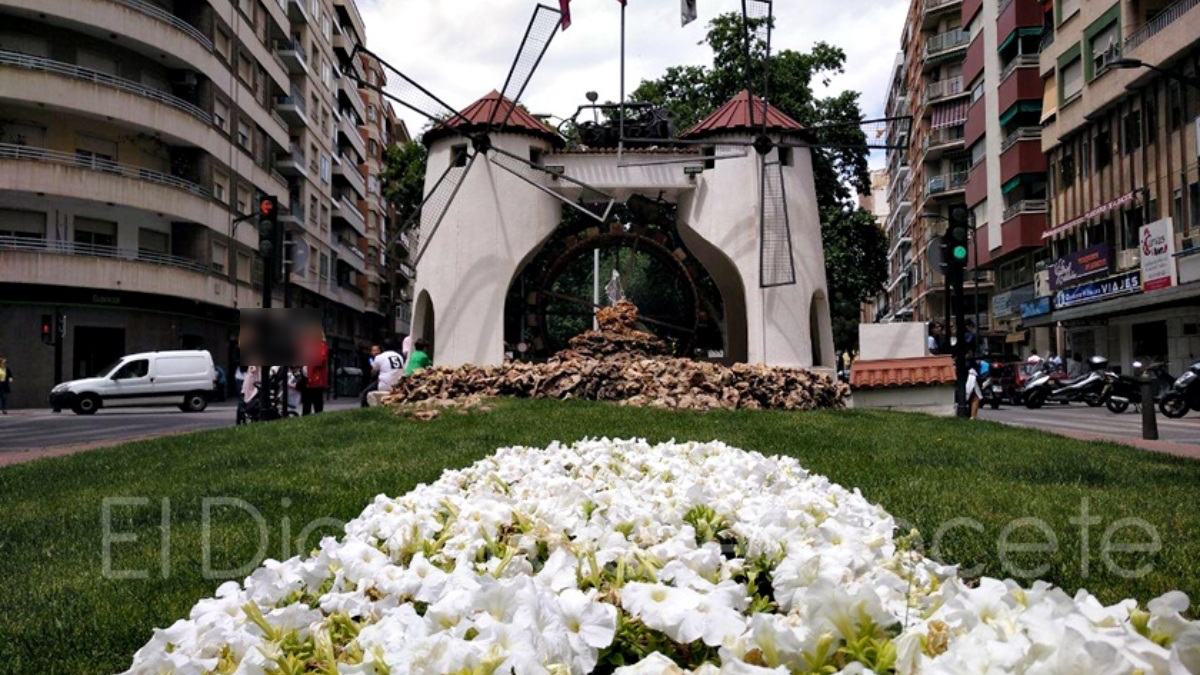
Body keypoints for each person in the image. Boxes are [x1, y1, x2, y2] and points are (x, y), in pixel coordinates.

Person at [300, 326, 329, 415]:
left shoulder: (321, 346)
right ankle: (305, 417)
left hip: (316, 379)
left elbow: (320, 360)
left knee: (317, 402)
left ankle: (318, 416)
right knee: (306, 403)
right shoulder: (306, 345)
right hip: (306, 378)